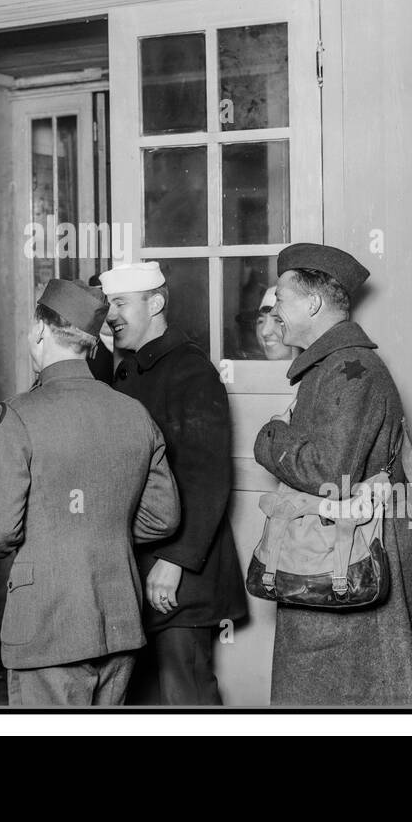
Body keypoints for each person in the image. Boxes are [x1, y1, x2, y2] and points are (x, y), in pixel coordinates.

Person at [255, 242, 412, 706]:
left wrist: (271, 438)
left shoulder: (350, 369)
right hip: (342, 553)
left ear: (313, 303)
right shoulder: (336, 366)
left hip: (351, 555)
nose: (275, 312)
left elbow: (329, 471)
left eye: (281, 300)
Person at [0, 278, 180, 706]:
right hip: (118, 619)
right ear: (91, 345)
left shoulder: (17, 415)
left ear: (40, 331)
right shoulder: (133, 413)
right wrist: (100, 523)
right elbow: (162, 517)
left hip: (47, 624)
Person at [99, 261, 248, 706]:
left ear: (156, 303)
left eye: (121, 303)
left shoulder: (189, 370)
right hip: (144, 566)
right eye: (108, 305)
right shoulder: (131, 368)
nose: (111, 315)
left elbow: (207, 473)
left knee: (184, 697)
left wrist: (175, 560)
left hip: (178, 572)